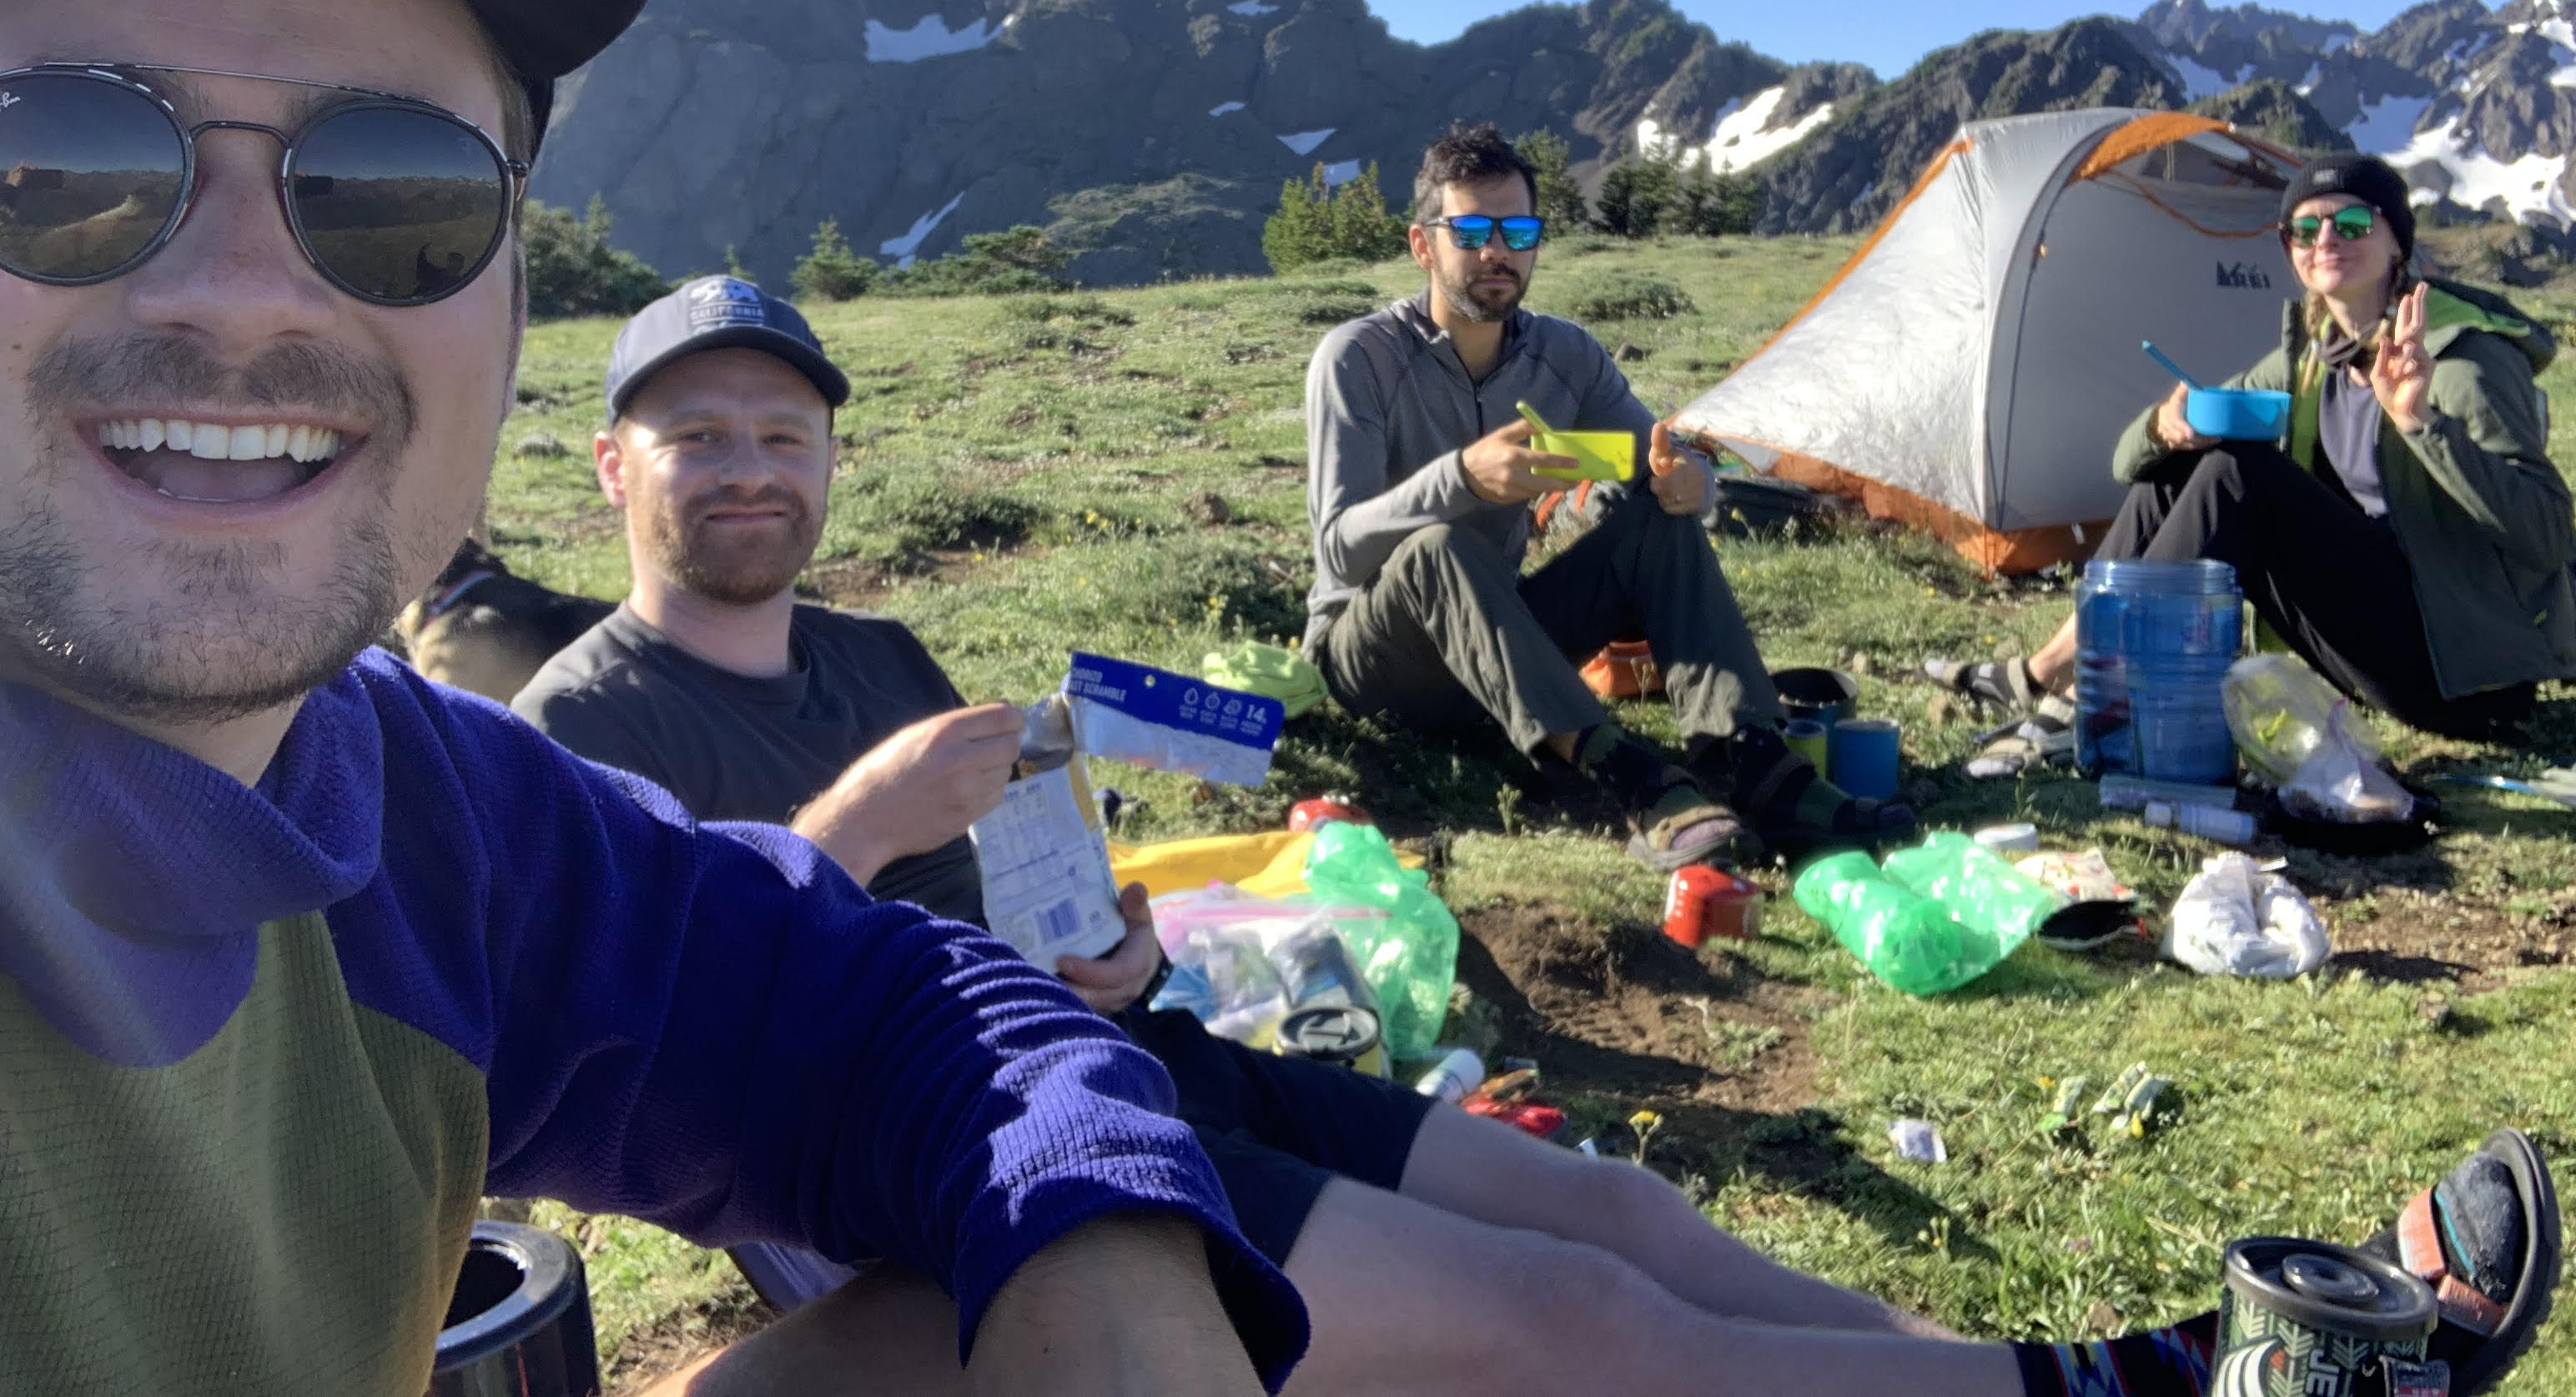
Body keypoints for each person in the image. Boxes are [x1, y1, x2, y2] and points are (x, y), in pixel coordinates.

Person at [518, 282, 2558, 1397]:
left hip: (1117, 1050)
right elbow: (654, 1016)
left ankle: (2097, 1368)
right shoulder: (574, 725)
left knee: (1631, 1227)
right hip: (962, 1160)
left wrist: (1108, 943)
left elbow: (1003, 913)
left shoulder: (872, 638)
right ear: (613, 462)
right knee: (1595, 1336)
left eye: (784, 429)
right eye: (700, 432)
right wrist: (871, 815)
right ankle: (2197, 1379)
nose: (752, 468)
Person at [0, 0, 1306, 1397]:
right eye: (58, 161)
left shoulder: (423, 800)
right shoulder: (552, 726)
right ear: (611, 466)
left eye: (396, 191)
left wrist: (1105, 1258)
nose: (252, 291)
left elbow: (883, 1005)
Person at [1301, 121, 1915, 868]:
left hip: (1504, 645)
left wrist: (1695, 483)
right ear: (1423, 245)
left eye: (1518, 229)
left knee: (1655, 515)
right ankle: (1632, 780)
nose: (1497, 250)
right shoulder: (1358, 359)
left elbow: (1661, 455)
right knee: (1438, 546)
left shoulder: (1562, 355)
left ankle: (1752, 760)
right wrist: (1459, 479)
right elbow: (1337, 550)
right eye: (1470, 230)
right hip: (1379, 663)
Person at [1933, 154, 2576, 741]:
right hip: (2368, 645)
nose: (2327, 240)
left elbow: (2548, 536)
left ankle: (2091, 694)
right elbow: (2127, 462)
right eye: (2305, 229)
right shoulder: (2313, 358)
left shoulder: (2465, 361)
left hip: (2462, 679)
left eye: (2352, 222)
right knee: (2184, 464)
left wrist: (2419, 424)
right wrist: (2165, 426)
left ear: (2397, 242)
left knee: (2241, 472)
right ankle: (2054, 673)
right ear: (2290, 250)